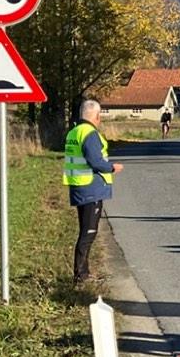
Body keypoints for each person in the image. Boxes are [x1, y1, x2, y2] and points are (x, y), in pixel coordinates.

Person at [63, 99, 124, 286]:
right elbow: (95, 161)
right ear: (97, 116)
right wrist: (112, 168)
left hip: (78, 185)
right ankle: (80, 275)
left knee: (85, 231)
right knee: (88, 233)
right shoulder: (90, 134)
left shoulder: (74, 132)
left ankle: (84, 272)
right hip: (91, 188)